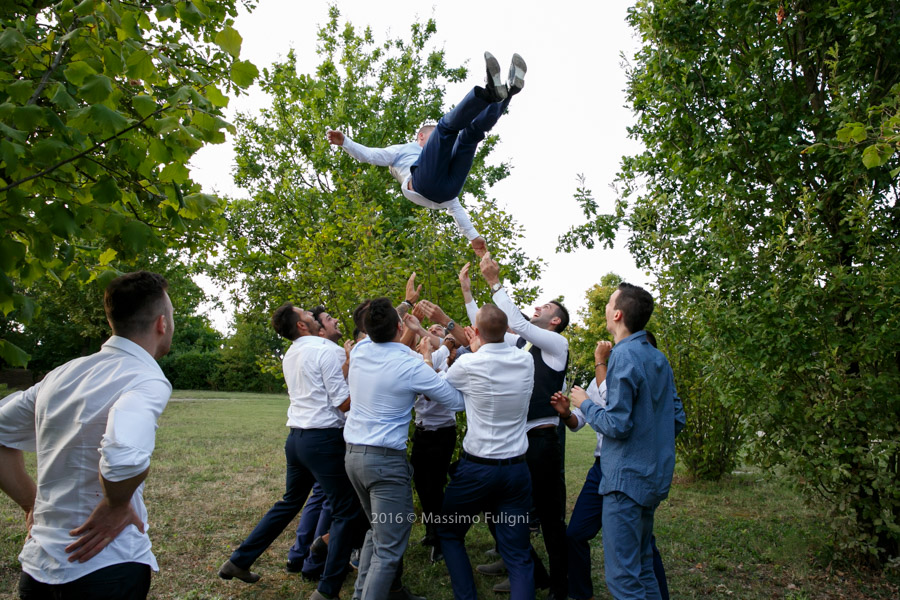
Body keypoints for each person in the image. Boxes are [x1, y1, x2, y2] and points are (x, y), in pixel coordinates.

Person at [0, 271, 175, 600]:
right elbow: (123, 455)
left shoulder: (62, 375)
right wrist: (115, 503)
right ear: (162, 324)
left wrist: (31, 503)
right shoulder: (146, 378)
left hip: (37, 571)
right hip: (106, 567)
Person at [433, 255, 570, 598]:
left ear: (555, 321)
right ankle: (523, 568)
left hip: (541, 442)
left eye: (546, 306)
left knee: (551, 518)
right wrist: (466, 296)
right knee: (506, 517)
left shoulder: (556, 345)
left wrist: (495, 283)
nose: (537, 307)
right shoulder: (523, 353)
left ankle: (562, 586)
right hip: (518, 451)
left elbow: (503, 328)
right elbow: (488, 331)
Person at [219, 303, 364, 600]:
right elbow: (343, 403)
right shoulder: (326, 351)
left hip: (295, 439)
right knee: (348, 513)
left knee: (289, 503)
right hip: (323, 440)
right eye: (308, 315)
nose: (312, 317)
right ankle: (327, 590)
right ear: (301, 325)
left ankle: (239, 560)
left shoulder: (291, 353)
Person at [327, 51, 527, 255]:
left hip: (448, 191)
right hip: (423, 183)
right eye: (431, 138)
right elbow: (370, 155)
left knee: (472, 133)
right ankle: (487, 93)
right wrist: (346, 142)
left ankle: (509, 91)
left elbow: (456, 209)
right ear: (421, 137)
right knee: (446, 128)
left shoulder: (444, 162)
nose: (440, 144)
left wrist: (473, 237)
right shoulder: (402, 151)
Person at [568, 284, 685, 600]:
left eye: (608, 303)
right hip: (652, 480)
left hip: (625, 484)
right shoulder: (657, 357)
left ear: (617, 314)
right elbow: (677, 419)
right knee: (644, 567)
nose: (606, 307)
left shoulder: (622, 355)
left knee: (623, 581)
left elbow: (617, 425)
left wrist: (585, 403)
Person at [344, 297, 465, 600]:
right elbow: (456, 402)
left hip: (354, 457)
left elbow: (380, 324)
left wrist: (404, 303)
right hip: (385, 464)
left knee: (376, 531)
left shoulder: (359, 351)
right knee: (388, 549)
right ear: (400, 327)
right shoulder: (409, 364)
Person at [438, 304, 536, 600]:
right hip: (517, 470)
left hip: (477, 469)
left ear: (476, 333)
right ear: (507, 330)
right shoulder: (526, 361)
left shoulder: (469, 364)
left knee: (449, 532)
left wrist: (473, 350)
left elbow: (443, 389)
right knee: (518, 552)